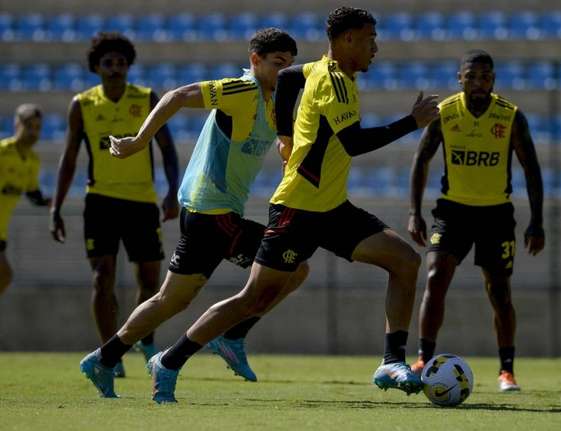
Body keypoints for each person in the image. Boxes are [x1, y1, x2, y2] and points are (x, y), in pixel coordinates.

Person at [144, 6, 439, 404]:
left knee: (404, 261)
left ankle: (391, 360)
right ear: (348, 39)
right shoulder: (333, 82)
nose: (376, 47)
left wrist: (284, 134)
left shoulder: (318, 69)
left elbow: (286, 77)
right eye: (370, 39)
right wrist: (412, 122)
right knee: (253, 299)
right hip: (297, 210)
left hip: (332, 208)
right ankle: (169, 360)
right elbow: (354, 143)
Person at [79, 28, 307, 399]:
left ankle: (103, 358)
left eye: (289, 66)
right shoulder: (241, 90)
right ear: (255, 60)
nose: (284, 72)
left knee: (171, 300)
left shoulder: (274, 101)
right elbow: (178, 95)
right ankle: (224, 340)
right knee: (293, 269)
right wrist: (139, 141)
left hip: (213, 212)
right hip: (210, 210)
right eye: (277, 64)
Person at [407, 49, 545, 392]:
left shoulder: (510, 116)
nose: (478, 83)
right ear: (460, 79)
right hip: (452, 212)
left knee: (499, 292)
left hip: (496, 215)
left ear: (493, 80)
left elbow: (531, 168)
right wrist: (415, 213)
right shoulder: (446, 113)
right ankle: (424, 357)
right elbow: (421, 160)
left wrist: (536, 221)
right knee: (436, 276)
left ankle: (506, 370)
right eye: (471, 77)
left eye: (485, 77)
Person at [50, 32, 180, 378]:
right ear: (96, 67)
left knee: (151, 280)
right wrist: (56, 207)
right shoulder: (82, 104)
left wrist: (171, 193)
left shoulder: (146, 98)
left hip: (141, 201)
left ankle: (143, 340)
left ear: (128, 65)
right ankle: (110, 354)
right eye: (108, 62)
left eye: (121, 62)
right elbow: (69, 158)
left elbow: (167, 149)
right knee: (101, 278)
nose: (116, 68)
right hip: (101, 202)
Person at [0, 104, 50, 297]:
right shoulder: (2, 152)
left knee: (4, 277)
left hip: (1, 232)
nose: (33, 132)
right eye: (29, 126)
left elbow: (32, 193)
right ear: (16, 125)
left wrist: (49, 203)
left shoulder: (32, 160)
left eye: (37, 128)